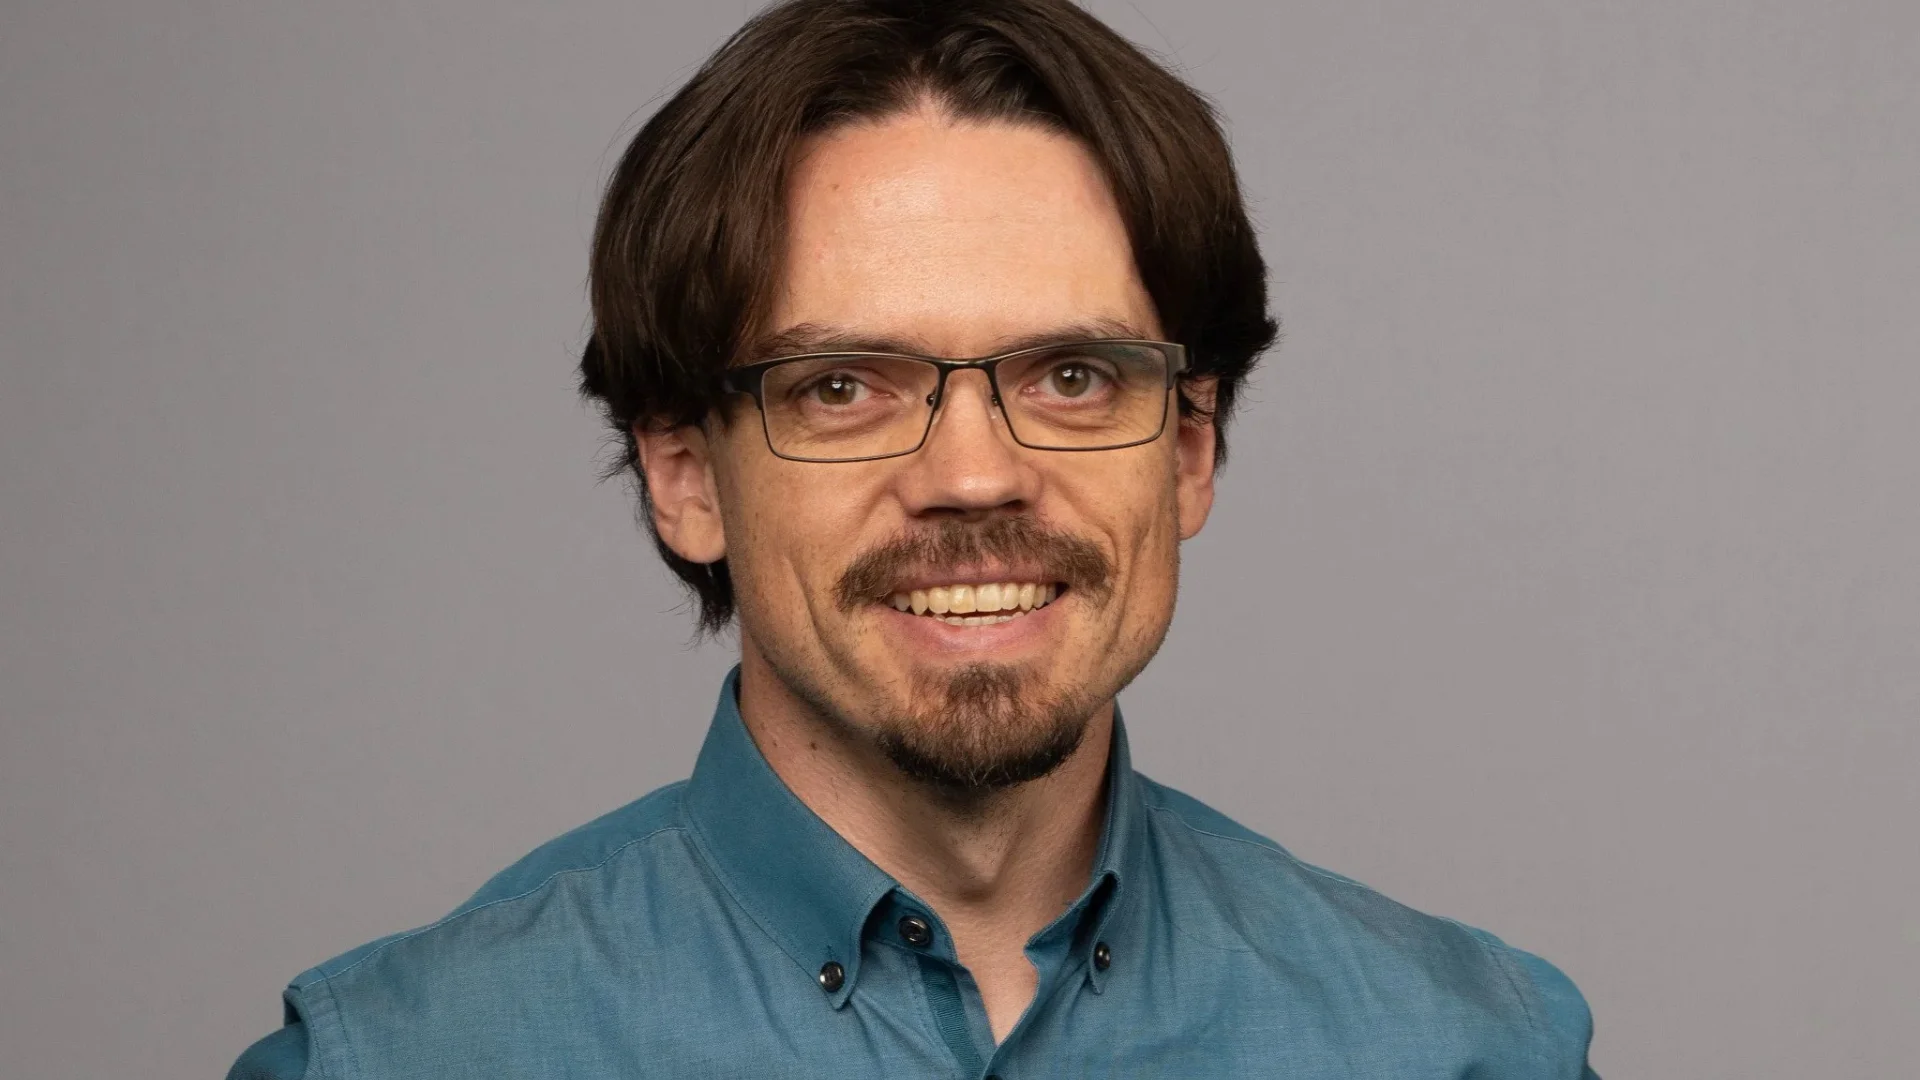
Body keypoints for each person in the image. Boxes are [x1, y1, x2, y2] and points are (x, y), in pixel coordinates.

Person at [228, 0, 1597, 1076]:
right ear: (685, 477)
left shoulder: (1467, 1051)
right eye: (843, 387)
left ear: (1189, 449)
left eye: (1072, 376)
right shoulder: (401, 1059)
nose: (975, 477)